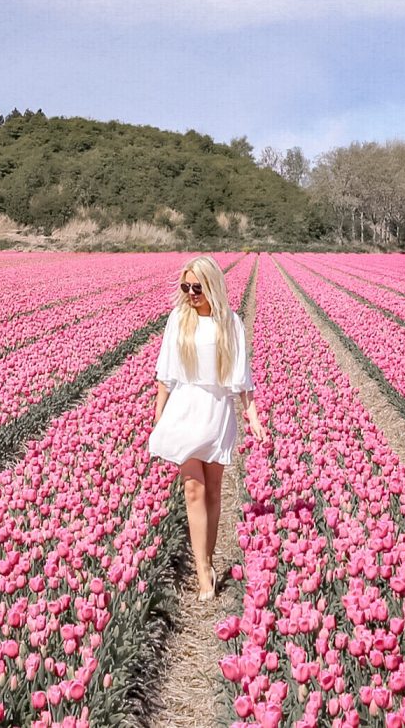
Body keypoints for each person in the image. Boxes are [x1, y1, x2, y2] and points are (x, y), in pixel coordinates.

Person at [148, 256, 266, 602]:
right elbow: (165, 375)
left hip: (216, 410)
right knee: (193, 489)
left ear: (212, 285)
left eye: (196, 287)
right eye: (185, 287)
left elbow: (242, 378)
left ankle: (209, 559)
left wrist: (253, 416)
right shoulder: (178, 320)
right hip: (185, 408)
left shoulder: (230, 323)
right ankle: (202, 570)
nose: (190, 294)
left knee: (214, 489)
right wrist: (159, 419)